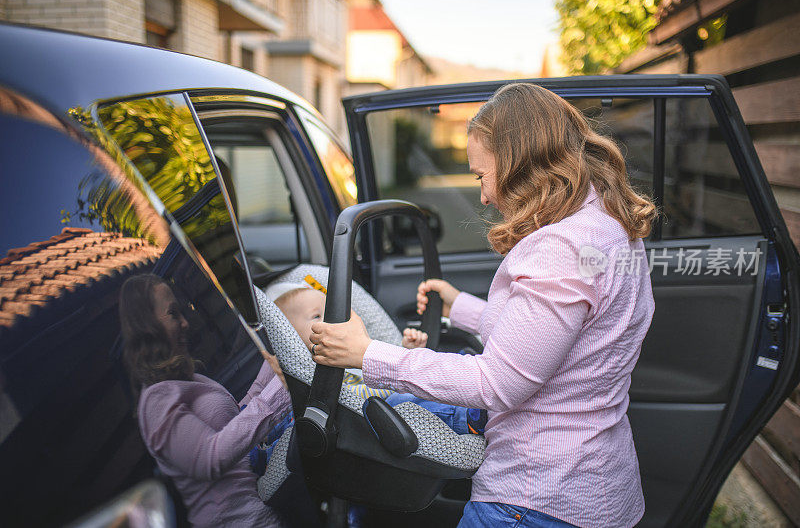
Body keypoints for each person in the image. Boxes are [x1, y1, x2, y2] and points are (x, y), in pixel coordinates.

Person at [309, 83, 657, 528]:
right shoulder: (608, 224)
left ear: (518, 163)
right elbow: (561, 335)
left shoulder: (562, 246)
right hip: (596, 481)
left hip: (538, 498)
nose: (484, 197)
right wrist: (460, 308)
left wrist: (366, 354)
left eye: (481, 175)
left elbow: (498, 383)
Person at [119, 274, 291, 527]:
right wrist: (278, 392)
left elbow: (238, 417)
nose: (186, 323)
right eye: (174, 314)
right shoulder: (155, 402)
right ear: (148, 327)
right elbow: (210, 457)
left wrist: (275, 364)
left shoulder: (183, 380)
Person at [266, 281, 486, 436]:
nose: (332, 317)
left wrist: (406, 349)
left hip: (392, 387)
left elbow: (383, 364)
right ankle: (467, 415)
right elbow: (287, 422)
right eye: (316, 315)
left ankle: (468, 375)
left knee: (427, 367)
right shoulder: (309, 376)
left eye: (331, 308)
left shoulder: (350, 344)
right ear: (291, 339)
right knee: (405, 404)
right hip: (371, 414)